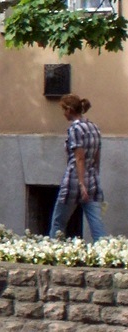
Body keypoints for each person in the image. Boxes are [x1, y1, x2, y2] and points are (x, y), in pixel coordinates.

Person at [49, 94, 108, 241]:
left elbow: (79, 157)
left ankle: (52, 250)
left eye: (64, 110)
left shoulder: (75, 128)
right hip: (92, 178)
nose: (63, 114)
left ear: (69, 110)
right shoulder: (94, 127)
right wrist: (94, 175)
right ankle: (104, 252)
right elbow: (97, 156)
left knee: (58, 222)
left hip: (74, 180)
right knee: (96, 222)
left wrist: (81, 184)